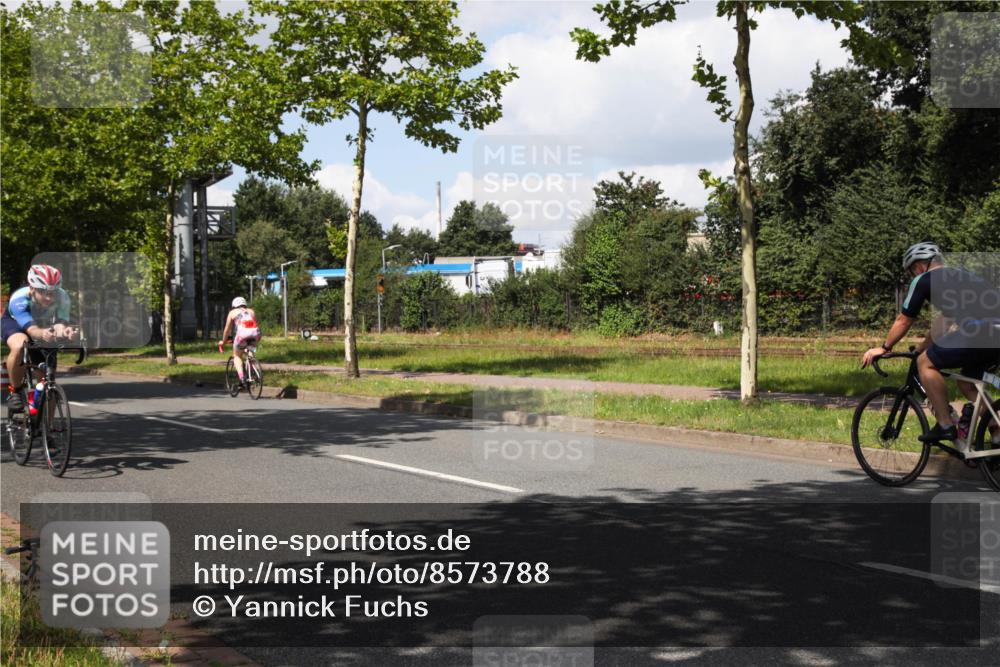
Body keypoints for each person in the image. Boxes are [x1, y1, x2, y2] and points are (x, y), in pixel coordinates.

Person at [862, 242, 1000, 442]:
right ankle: (997, 430)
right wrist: (920, 349)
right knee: (967, 383)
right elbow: (945, 321)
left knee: (925, 363)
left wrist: (884, 348)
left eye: (911, 271)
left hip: (980, 332)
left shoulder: (924, 279)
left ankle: (945, 424)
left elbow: (904, 319)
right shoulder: (962, 275)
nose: (913, 275)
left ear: (918, 265)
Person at [2, 265, 77, 413]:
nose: (49, 298)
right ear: (32, 289)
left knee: (48, 381)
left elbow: (60, 324)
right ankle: (15, 391)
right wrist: (43, 334)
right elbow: (32, 330)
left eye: (52, 293)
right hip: (15, 323)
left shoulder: (63, 297)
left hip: (42, 324)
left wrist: (66, 332)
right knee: (20, 345)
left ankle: (47, 431)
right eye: (43, 292)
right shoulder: (19, 299)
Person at [219, 297, 261, 387]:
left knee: (237, 356)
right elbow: (255, 324)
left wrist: (223, 341)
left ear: (234, 305)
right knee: (250, 350)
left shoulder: (232, 312)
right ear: (244, 304)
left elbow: (227, 330)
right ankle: (253, 368)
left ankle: (242, 378)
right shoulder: (251, 311)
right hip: (255, 335)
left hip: (242, 336)